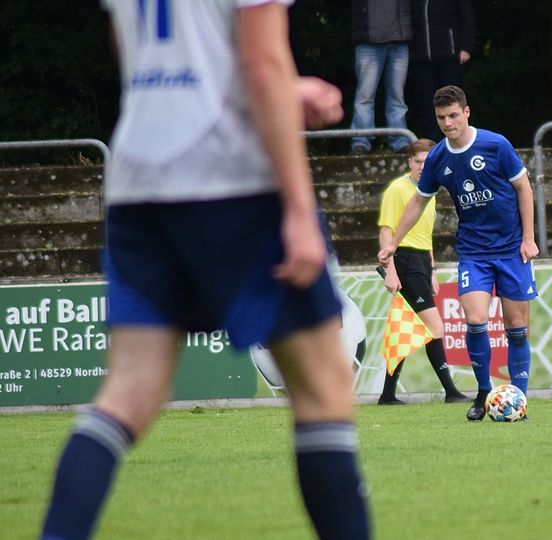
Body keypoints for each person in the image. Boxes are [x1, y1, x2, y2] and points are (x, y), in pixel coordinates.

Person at [40, 2, 369, 539]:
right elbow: (261, 64)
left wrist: (269, 89)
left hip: (137, 182)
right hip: (234, 182)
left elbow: (139, 53)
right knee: (324, 387)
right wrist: (298, 209)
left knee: (127, 393)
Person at [378, 85, 537, 422]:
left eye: (453, 115)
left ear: (466, 112)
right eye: (441, 118)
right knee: (476, 320)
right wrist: (394, 242)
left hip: (511, 249)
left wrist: (528, 238)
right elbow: (419, 201)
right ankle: (483, 392)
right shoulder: (438, 157)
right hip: (473, 252)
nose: (448, 123)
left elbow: (523, 187)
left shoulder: (496, 144)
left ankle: (519, 399)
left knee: (516, 325)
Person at [377, 138, 469, 405]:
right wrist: (391, 271)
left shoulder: (429, 191)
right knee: (435, 327)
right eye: (418, 162)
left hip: (420, 263)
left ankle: (387, 395)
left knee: (404, 326)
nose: (422, 167)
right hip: (404, 260)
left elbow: (425, 237)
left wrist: (432, 270)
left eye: (427, 162)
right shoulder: (397, 189)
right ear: (410, 162)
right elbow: (386, 231)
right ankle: (451, 392)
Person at [349, 0, 412, 155]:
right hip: (369, 40)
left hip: (399, 40)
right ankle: (361, 142)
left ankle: (400, 142)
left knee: (397, 97)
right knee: (365, 96)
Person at [408, 0, 475, 143]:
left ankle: (459, 137)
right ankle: (432, 140)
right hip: (421, 57)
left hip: (450, 55)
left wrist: (467, 46)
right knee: (425, 100)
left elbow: (467, 18)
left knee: (452, 98)